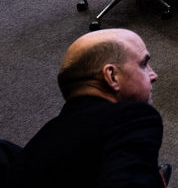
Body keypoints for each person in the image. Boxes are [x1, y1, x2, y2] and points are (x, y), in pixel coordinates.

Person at [8, 29, 167, 187]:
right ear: (112, 77)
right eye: (143, 64)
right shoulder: (131, 117)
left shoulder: (44, 138)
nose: (153, 75)